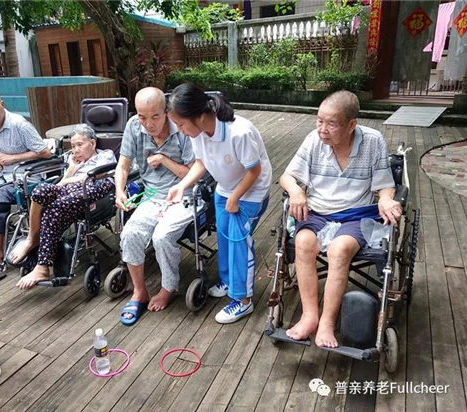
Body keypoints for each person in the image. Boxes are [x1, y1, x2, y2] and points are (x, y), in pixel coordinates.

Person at [279, 90, 402, 348]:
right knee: (303, 242)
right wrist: (296, 191)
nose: (322, 129)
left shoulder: (372, 141)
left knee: (339, 249)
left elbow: (385, 185)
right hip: (318, 211)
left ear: (351, 124)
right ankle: (310, 316)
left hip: (355, 214)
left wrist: (385, 199)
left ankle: (327, 322)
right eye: (319, 121)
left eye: (331, 123)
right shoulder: (313, 140)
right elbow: (287, 177)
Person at [166, 84, 272, 324]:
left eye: (181, 124)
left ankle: (242, 300)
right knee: (223, 235)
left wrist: (235, 197)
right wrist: (182, 186)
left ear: (198, 116)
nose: (180, 131)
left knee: (237, 240)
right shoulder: (198, 133)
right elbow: (201, 163)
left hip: (251, 192)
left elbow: (254, 170)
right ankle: (228, 281)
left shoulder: (239, 132)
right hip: (225, 188)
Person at [115, 87, 196, 326]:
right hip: (152, 195)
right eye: (142, 116)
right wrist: (119, 190)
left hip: (183, 193)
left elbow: (193, 173)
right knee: (130, 233)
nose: (148, 124)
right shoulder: (133, 126)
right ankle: (139, 291)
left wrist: (162, 159)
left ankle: (168, 287)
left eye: (155, 117)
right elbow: (123, 165)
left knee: (162, 236)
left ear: (166, 112)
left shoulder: (181, 128)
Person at [8, 124, 117, 289]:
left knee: (54, 208)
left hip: (93, 190)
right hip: (68, 190)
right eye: (73, 146)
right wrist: (70, 171)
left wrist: (68, 180)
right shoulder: (71, 159)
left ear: (93, 143)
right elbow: (61, 183)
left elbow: (97, 175)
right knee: (39, 191)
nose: (76, 150)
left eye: (80, 144)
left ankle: (42, 267)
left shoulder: (105, 155)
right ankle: (32, 238)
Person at [0, 88, 51, 273]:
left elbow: (45, 152)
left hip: (23, 177)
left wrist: (13, 158)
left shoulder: (19, 125)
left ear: (2, 104)